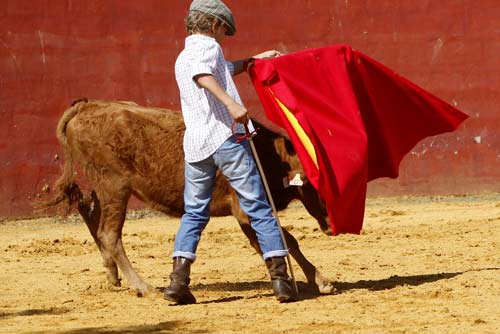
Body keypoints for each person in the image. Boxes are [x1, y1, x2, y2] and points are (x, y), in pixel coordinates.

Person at [164, 0, 297, 304]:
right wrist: (231, 103)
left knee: (195, 213)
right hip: (225, 140)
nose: (223, 36)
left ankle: (178, 281)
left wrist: (252, 59)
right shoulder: (208, 48)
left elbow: (221, 70)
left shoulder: (183, 56)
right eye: (223, 29)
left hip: (196, 146)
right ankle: (280, 280)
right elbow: (205, 76)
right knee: (258, 207)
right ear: (213, 25)